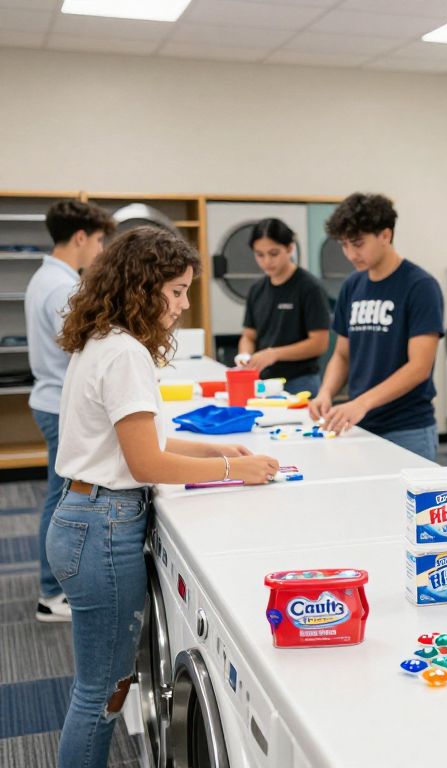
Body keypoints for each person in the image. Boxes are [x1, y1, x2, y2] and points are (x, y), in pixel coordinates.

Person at [48, 226, 279, 768]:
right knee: (100, 694)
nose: (181, 305)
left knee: (104, 685)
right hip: (101, 529)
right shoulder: (125, 352)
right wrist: (232, 470)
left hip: (86, 518)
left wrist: (210, 448)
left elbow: (139, 439)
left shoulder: (102, 339)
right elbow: (144, 462)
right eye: (174, 291)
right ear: (141, 285)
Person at [24, 199, 115, 622]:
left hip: (48, 399)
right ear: (80, 237)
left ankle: (51, 587)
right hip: (60, 406)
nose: (99, 249)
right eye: (98, 241)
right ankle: (52, 593)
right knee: (62, 501)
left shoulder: (47, 277)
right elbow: (84, 345)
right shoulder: (61, 286)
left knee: (57, 496)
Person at [309, 194, 444, 461]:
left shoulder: (420, 286)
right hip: (361, 424)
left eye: (358, 244)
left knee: (408, 503)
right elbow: (342, 354)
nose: (350, 254)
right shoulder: (352, 285)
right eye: (344, 245)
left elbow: (419, 367)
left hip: (407, 429)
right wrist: (325, 392)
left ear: (385, 235)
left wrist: (361, 403)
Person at [236, 218, 330, 396]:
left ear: (289, 248)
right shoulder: (257, 290)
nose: (266, 262)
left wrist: (274, 354)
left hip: (301, 383)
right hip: (265, 382)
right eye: (260, 255)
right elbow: (248, 335)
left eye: (273, 253)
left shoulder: (309, 288)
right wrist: (245, 355)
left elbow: (319, 343)